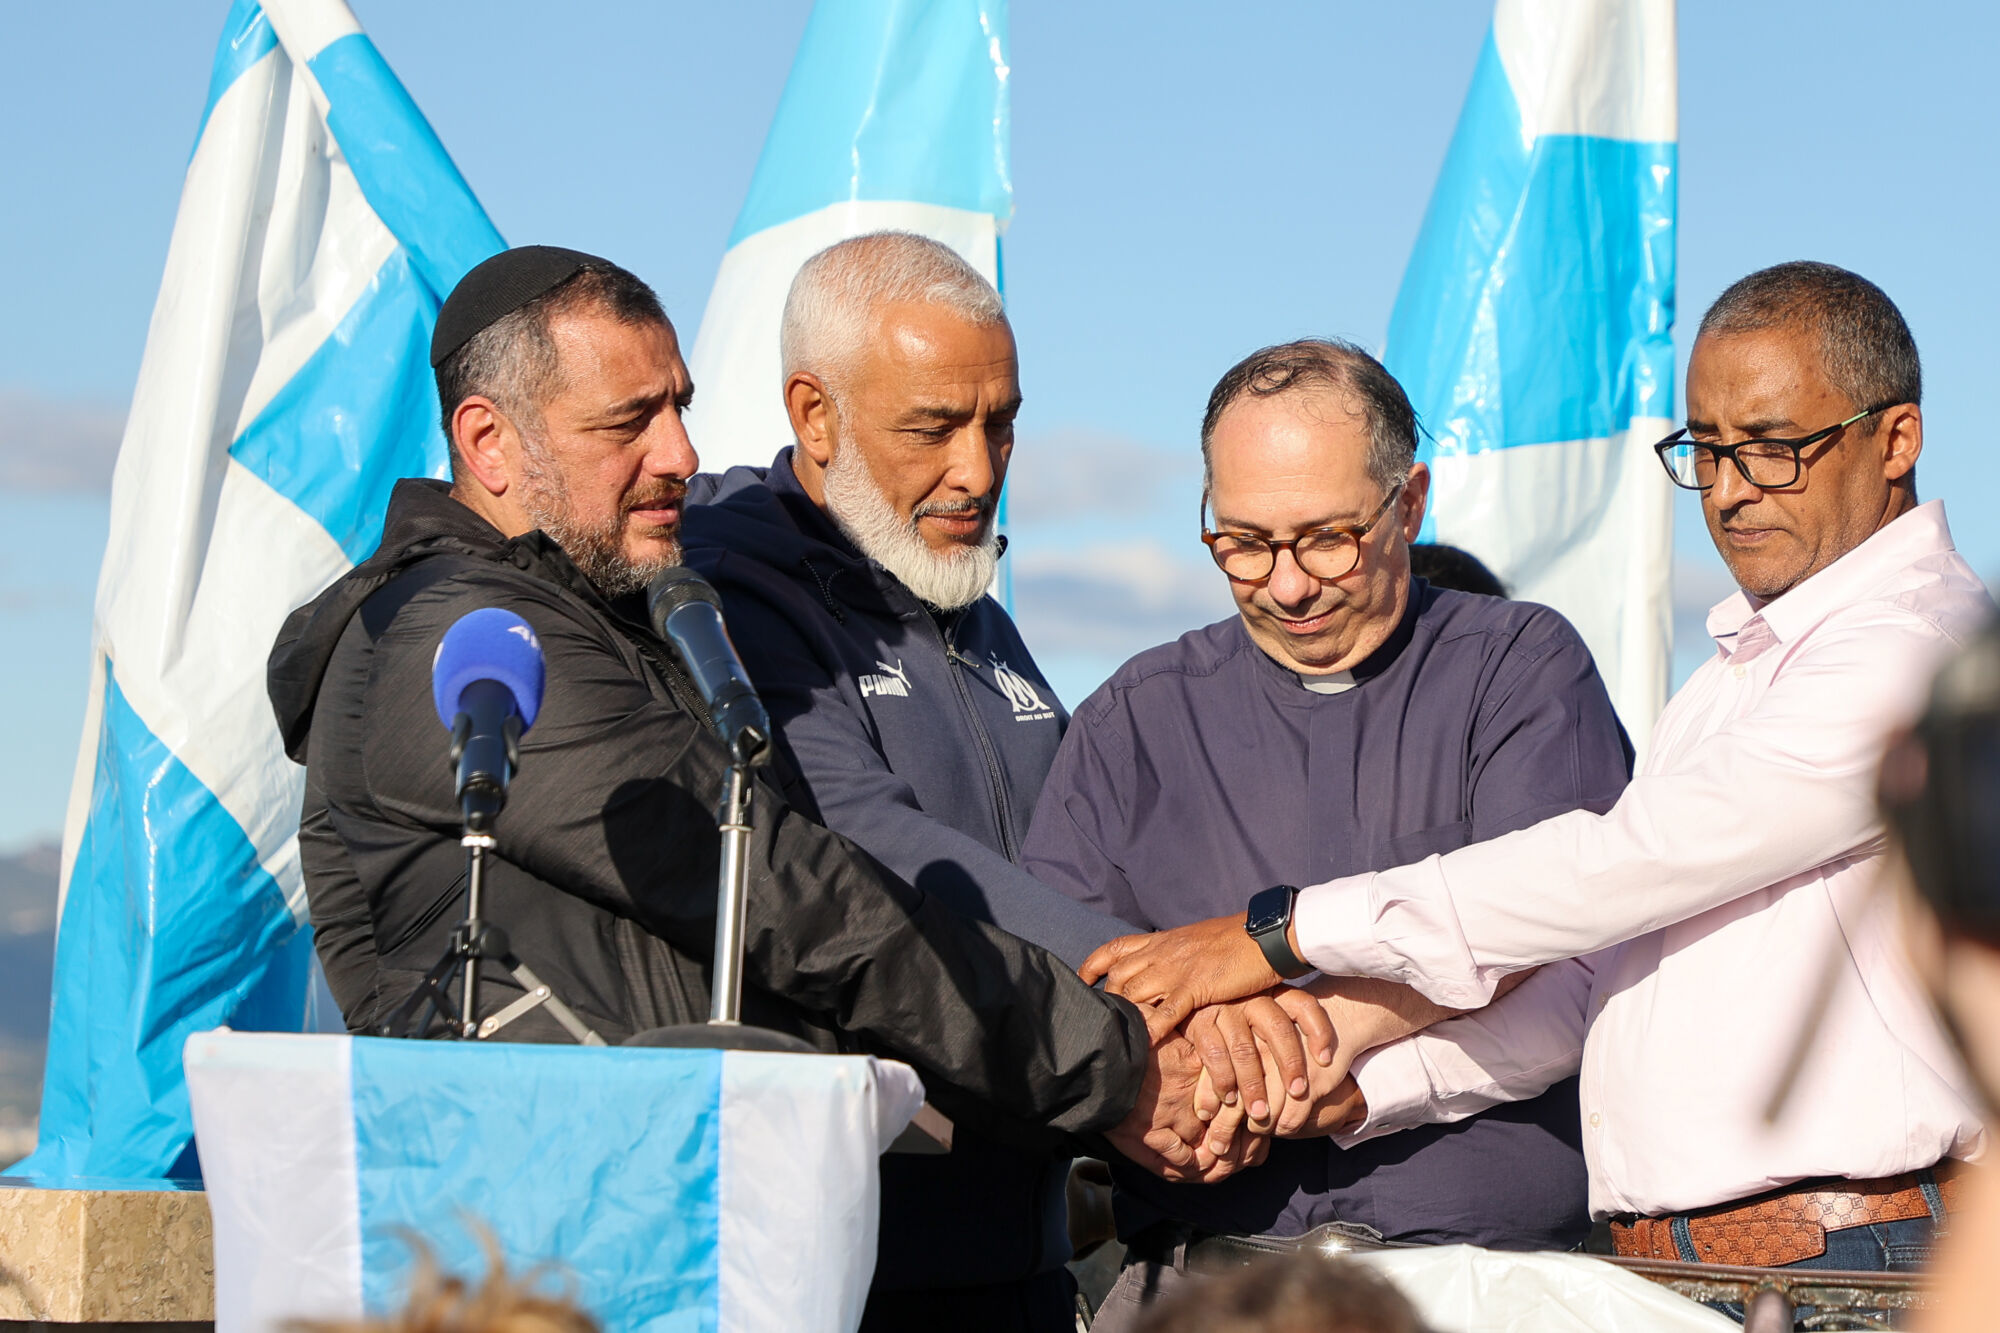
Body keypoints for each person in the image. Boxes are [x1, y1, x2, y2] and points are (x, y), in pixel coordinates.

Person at [1083, 262, 1992, 1277]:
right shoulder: (1735, 674)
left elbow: (1612, 867)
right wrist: (1351, 1087)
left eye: (1772, 450)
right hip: (1715, 1269)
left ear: (1895, 439)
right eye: (1705, 449)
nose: (1731, 490)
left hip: (1849, 1262)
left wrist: (1279, 934)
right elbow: (1588, 981)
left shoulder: (1913, 655)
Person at [263, 245, 1212, 1183]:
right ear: (488, 442)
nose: (680, 453)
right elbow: (780, 890)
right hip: (541, 1219)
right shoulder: (469, 636)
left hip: (685, 1201)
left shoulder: (630, 610)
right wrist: (1113, 1062)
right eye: (629, 421)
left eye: (679, 406)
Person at [679, 233, 1338, 1331]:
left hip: (1023, 1255)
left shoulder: (973, 611)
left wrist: (1246, 986)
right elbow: (867, 838)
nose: (979, 470)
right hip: (844, 1275)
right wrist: (1155, 1007)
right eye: (933, 427)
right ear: (814, 415)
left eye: (1002, 423)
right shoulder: (730, 593)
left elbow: (1098, 855)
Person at [1021, 338, 1632, 1323]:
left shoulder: (1521, 671)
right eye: (1244, 543)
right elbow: (1055, 982)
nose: (1288, 585)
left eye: (1325, 539)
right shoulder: (1132, 718)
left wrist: (1300, 1032)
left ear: (1409, 503)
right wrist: (1145, 1082)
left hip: (1484, 1289)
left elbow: (1550, 927)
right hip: (1202, 1288)